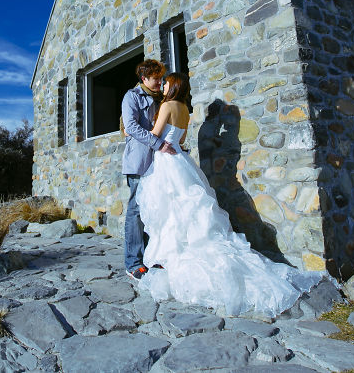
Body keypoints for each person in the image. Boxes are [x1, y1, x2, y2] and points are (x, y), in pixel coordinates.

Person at [136, 72, 332, 317]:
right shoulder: (184, 109)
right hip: (181, 161)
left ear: (173, 86)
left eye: (165, 83)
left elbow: (155, 135)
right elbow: (182, 138)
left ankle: (175, 260)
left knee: (172, 212)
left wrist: (135, 130)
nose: (163, 86)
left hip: (167, 161)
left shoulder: (167, 106)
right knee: (188, 211)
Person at [121, 59, 178, 281]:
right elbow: (131, 127)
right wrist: (158, 144)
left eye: (161, 78)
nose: (159, 82)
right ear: (144, 78)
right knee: (136, 212)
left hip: (159, 163)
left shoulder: (160, 98)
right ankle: (133, 263)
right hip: (139, 161)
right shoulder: (132, 97)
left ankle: (151, 256)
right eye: (155, 79)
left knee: (154, 208)